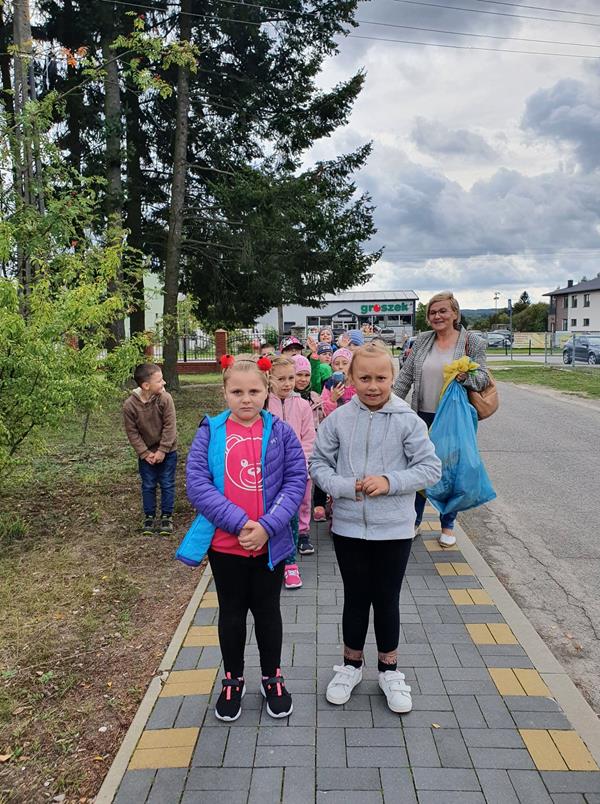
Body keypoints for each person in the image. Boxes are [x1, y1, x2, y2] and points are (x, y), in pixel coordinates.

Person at [309, 343, 441, 713]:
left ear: (392, 377)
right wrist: (343, 486)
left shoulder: (407, 420)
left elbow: (430, 468)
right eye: (364, 377)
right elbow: (318, 464)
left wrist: (390, 481)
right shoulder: (338, 419)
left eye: (381, 378)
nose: (373, 385)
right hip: (349, 528)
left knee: (386, 598)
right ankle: (350, 666)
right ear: (351, 378)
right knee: (355, 597)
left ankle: (389, 670)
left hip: (394, 530)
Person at [186, 356, 307, 721]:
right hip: (226, 546)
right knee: (232, 614)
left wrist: (267, 526)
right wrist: (239, 524)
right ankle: (233, 679)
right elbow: (198, 484)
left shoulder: (281, 432)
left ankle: (272, 677)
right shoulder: (210, 431)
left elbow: (295, 480)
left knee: (268, 612)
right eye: (237, 392)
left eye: (254, 391)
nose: (246, 399)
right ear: (224, 392)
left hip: (270, 544)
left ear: (266, 391)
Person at [393, 291, 490, 547]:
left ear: (455, 314)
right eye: (433, 312)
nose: (437, 316)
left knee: (450, 472)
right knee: (417, 467)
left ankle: (448, 524)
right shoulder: (423, 340)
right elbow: (405, 377)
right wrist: (388, 403)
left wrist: (464, 376)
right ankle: (414, 521)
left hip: (454, 418)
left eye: (443, 311)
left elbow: (483, 379)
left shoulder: (471, 342)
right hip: (422, 415)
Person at [267, 356, 316, 583]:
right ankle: (272, 557)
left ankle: (290, 563)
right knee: (272, 515)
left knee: (292, 515)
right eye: (281, 379)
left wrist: (299, 463)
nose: (287, 383)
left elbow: (308, 437)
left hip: (295, 471)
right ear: (269, 379)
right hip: (270, 472)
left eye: (290, 378)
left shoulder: (303, 405)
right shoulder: (264, 405)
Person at [123, 363, 177, 536]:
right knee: (148, 485)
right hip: (146, 454)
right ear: (146, 385)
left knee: (167, 483)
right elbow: (132, 433)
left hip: (168, 451)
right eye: (160, 381)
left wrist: (162, 450)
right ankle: (149, 516)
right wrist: (145, 453)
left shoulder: (165, 399)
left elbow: (170, 426)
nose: (164, 383)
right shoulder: (130, 405)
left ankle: (167, 516)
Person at [321, 348, 356, 416]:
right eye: (337, 364)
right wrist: (332, 399)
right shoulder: (329, 384)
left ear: (352, 366)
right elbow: (324, 413)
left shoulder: (359, 384)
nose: (340, 367)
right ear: (332, 367)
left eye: (345, 363)